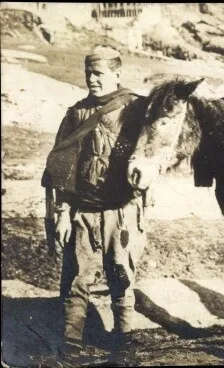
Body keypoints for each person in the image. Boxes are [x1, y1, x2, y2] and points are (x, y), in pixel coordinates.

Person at [41, 45, 147, 358]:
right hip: (82, 209)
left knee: (121, 271)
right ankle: (71, 340)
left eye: (99, 73)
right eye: (89, 73)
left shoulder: (136, 110)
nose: (92, 79)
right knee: (77, 276)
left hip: (121, 209)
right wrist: (61, 212)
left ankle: (125, 336)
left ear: (117, 74)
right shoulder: (76, 113)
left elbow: (151, 151)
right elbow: (61, 164)